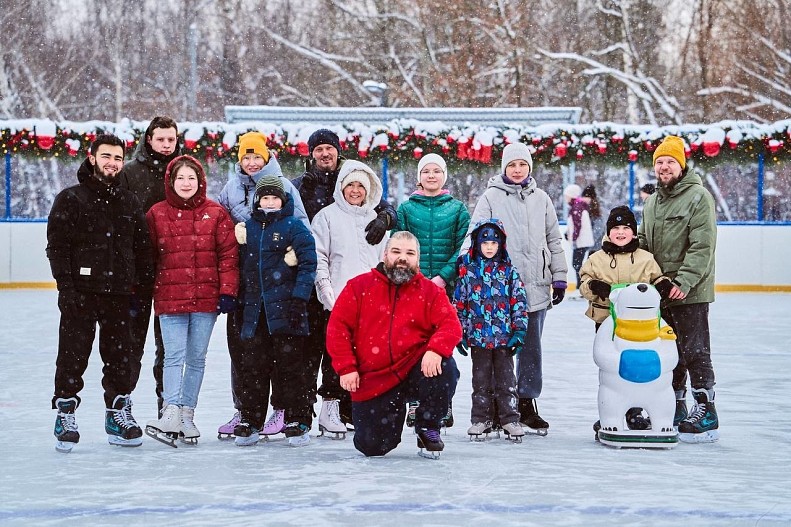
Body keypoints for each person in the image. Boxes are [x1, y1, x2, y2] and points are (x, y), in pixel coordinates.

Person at [47, 134, 155, 452]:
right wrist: (66, 287)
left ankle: (118, 413)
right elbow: (58, 247)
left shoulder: (129, 201)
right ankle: (65, 413)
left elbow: (142, 250)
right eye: (106, 156)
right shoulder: (71, 199)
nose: (112, 163)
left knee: (121, 358)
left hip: (121, 294)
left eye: (118, 158)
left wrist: (143, 290)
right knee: (72, 356)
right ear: (92, 157)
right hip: (81, 293)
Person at [291, 128, 397, 430]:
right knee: (310, 350)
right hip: (315, 280)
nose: (325, 154)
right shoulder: (302, 186)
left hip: (354, 289)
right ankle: (302, 411)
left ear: (339, 151)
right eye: (319, 149)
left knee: (347, 352)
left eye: (330, 148)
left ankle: (343, 408)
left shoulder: (353, 178)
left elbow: (382, 203)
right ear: (311, 154)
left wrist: (385, 218)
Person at [326, 231, 462, 457]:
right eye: (397, 251)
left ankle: (428, 426)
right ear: (385, 254)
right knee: (372, 447)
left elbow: (451, 325)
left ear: (417, 259)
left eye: (410, 253)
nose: (403, 258)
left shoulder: (430, 291)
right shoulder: (359, 287)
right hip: (374, 379)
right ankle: (390, 418)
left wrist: (436, 350)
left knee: (445, 368)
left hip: (413, 371)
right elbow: (337, 329)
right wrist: (346, 367)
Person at [464, 142, 567, 435]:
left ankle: (525, 401)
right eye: (512, 165)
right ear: (504, 168)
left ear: (530, 168)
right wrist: (469, 275)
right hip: (498, 291)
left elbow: (553, 240)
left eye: (522, 164)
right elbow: (474, 237)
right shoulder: (491, 197)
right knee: (498, 349)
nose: (517, 170)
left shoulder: (542, 199)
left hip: (535, 285)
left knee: (530, 348)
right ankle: (499, 404)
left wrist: (558, 275)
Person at [216, 131, 308, 439]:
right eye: (246, 156)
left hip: (279, 285)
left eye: (257, 156)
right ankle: (246, 411)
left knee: (284, 355)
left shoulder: (284, 187)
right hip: (248, 286)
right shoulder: (231, 188)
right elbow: (220, 222)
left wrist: (295, 258)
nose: (252, 162)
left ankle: (286, 411)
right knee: (246, 355)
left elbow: (302, 228)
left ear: (267, 156)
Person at [144, 155, 239, 445]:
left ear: (200, 182)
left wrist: (227, 291)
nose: (186, 183)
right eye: (180, 178)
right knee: (173, 356)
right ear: (170, 181)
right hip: (169, 299)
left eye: (191, 178)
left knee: (196, 358)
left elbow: (228, 255)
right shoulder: (156, 214)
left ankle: (187, 414)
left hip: (205, 299)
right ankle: (170, 410)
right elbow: (146, 258)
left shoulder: (217, 213)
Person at [638, 135, 719, 443]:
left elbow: (703, 246)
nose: (664, 167)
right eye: (659, 162)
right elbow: (644, 243)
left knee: (695, 351)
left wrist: (684, 281)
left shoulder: (698, 197)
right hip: (661, 291)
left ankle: (707, 408)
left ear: (681, 165)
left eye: (670, 161)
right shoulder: (653, 201)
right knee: (668, 353)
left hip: (690, 290)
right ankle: (675, 406)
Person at [233, 176, 317, 447]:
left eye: (275, 198)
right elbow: (240, 266)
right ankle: (250, 418)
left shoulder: (294, 226)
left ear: (283, 200)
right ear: (257, 200)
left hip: (287, 310)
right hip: (255, 312)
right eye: (265, 198)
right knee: (253, 368)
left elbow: (308, 263)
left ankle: (298, 418)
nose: (270, 203)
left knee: (291, 367)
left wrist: (299, 298)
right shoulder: (248, 228)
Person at [310, 160, 389, 438]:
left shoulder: (376, 221)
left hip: (371, 302)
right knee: (337, 356)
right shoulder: (327, 217)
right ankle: (330, 407)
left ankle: (355, 407)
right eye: (350, 185)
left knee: (366, 356)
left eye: (360, 186)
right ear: (341, 187)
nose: (355, 191)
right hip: (338, 299)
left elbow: (384, 260)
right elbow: (319, 256)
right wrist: (326, 291)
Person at [579, 205, 674, 431]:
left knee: (637, 366)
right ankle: (609, 412)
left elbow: (657, 277)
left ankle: (634, 412)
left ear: (633, 232)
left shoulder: (645, 258)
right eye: (615, 228)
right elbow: (584, 283)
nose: (620, 233)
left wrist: (662, 285)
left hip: (641, 325)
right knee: (612, 368)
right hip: (607, 322)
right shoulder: (596, 259)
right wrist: (594, 286)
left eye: (626, 228)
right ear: (608, 231)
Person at [395, 153, 470, 428]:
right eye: (426, 171)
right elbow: (399, 243)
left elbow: (462, 247)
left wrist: (442, 277)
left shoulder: (457, 209)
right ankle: (415, 399)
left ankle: (443, 401)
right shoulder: (406, 209)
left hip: (444, 289)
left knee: (441, 344)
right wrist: (414, 277)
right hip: (411, 289)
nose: (431, 176)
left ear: (444, 176)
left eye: (436, 171)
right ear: (419, 177)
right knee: (413, 345)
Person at [118, 116, 181, 414]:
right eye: (161, 139)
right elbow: (119, 220)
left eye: (171, 139)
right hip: (136, 273)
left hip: (173, 272)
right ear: (149, 140)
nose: (166, 145)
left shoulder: (182, 171)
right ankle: (122, 401)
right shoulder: (130, 173)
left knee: (169, 345)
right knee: (130, 343)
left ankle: (166, 403)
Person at [454, 219, 527, 441]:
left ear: (501, 245)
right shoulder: (468, 272)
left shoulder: (509, 271)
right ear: (476, 244)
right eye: (485, 242)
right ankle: (480, 419)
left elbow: (519, 302)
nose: (489, 247)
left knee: (507, 381)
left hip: (504, 338)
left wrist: (519, 331)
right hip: (478, 338)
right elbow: (460, 304)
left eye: (494, 243)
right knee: (481, 382)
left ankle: (510, 419)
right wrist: (461, 333)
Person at [564, 184, 594, 294]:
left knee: (576, 264)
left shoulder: (577, 207)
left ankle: (580, 287)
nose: (565, 198)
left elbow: (577, 225)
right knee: (577, 264)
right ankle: (580, 286)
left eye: (566, 195)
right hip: (582, 241)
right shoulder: (578, 206)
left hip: (581, 241)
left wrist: (574, 238)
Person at [582, 185, 603, 252]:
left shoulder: (595, 210)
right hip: (587, 244)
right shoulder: (583, 208)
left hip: (596, 246)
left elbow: (599, 228)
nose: (584, 199)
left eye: (587, 197)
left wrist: (589, 241)